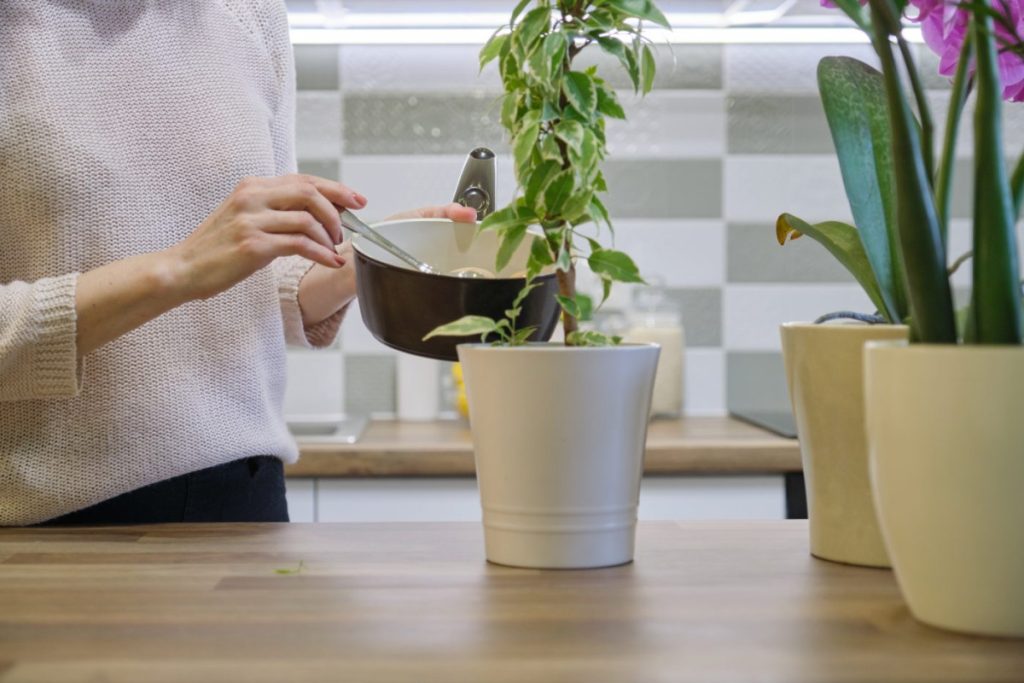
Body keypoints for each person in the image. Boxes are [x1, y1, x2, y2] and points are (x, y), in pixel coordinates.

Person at [0, 0, 476, 526]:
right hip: (51, 518)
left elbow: (254, 277)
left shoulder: (250, 12)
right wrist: (179, 270)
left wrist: (365, 260)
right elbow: (202, 264)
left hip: (246, 494)